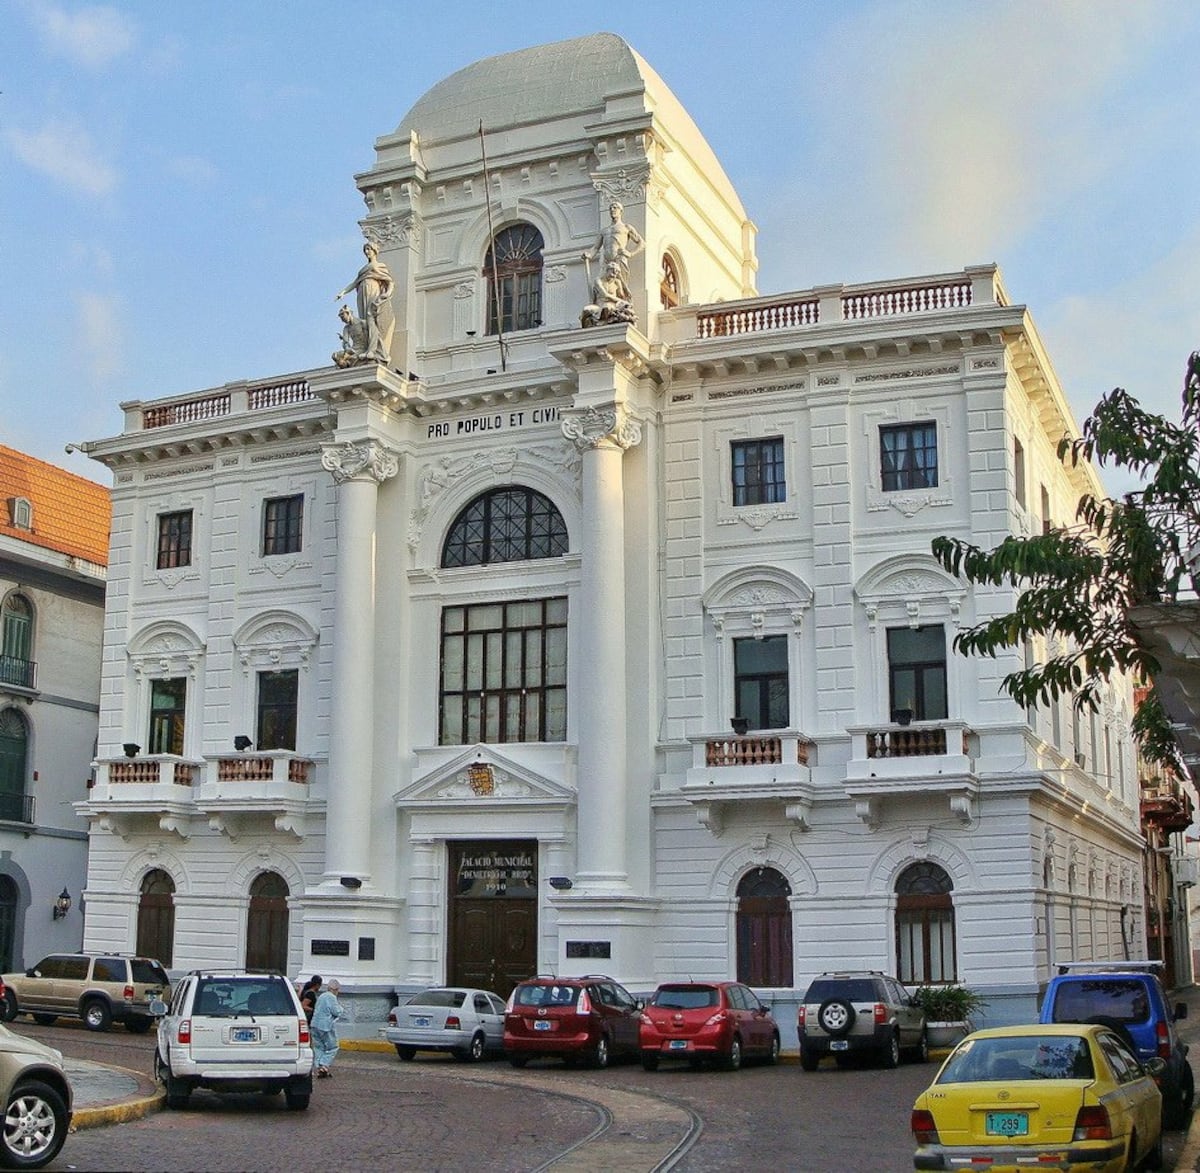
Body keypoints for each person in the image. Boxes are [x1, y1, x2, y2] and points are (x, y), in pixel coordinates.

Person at [335, 241, 395, 364]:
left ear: (374, 250)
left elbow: (389, 282)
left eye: (369, 249)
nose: (367, 252)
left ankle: (373, 350)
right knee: (366, 322)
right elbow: (355, 282)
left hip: (373, 291)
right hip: (362, 292)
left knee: (371, 319)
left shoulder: (379, 266)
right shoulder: (363, 269)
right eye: (365, 250)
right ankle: (370, 348)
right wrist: (343, 292)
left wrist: (387, 293)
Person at [585, 201, 644, 297]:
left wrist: (630, 253)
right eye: (611, 208)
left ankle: (623, 306)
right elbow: (596, 248)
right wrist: (589, 255)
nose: (612, 209)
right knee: (600, 286)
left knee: (621, 287)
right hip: (606, 262)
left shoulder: (626, 227)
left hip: (619, 259)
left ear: (621, 211)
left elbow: (641, 243)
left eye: (615, 207)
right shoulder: (604, 231)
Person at [311, 978, 346, 1078]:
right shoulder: (331, 997)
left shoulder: (321, 996)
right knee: (333, 1046)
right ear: (335, 989)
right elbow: (336, 1011)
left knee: (319, 1047)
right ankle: (324, 1065)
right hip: (325, 1026)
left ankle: (319, 1067)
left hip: (315, 1024)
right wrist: (341, 1009)